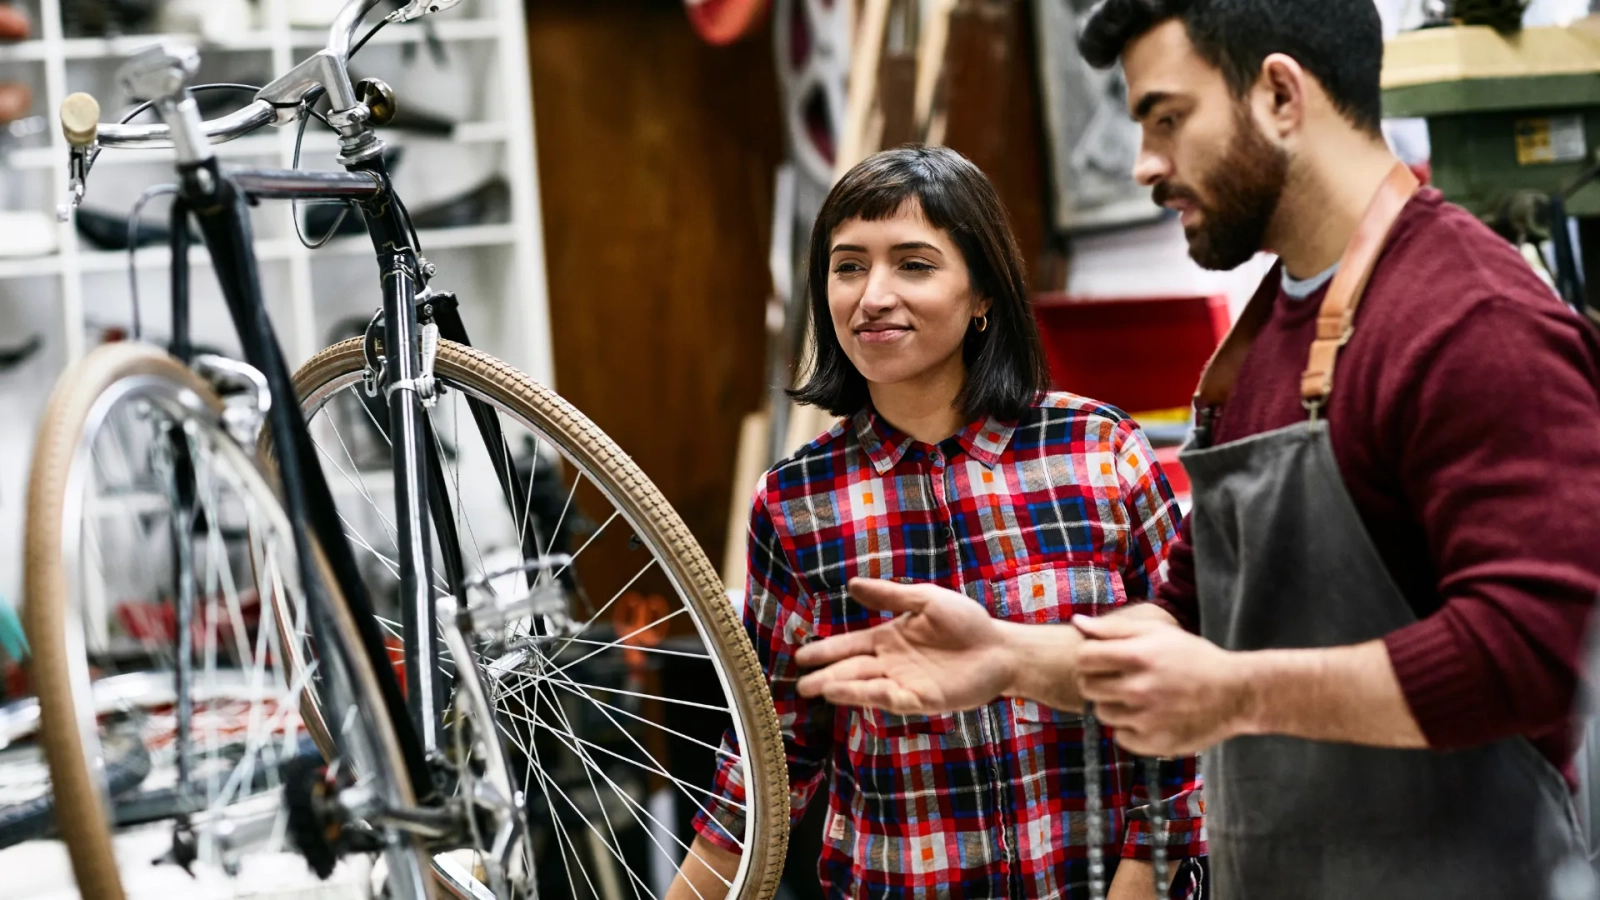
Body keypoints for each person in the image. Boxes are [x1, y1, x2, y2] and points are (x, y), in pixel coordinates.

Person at [792, 1, 1600, 898]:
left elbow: (1539, 654)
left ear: (1281, 96)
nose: (1146, 164)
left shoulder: (1469, 321)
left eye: (1168, 119)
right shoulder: (1260, 347)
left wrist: (1236, 694)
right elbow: (1183, 625)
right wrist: (1010, 659)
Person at [666, 145, 1205, 900]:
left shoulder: (1098, 450)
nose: (872, 296)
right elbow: (766, 762)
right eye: (848, 266)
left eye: (912, 264)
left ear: (982, 291)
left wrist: (1146, 874)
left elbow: (1187, 686)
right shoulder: (796, 502)